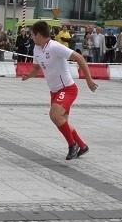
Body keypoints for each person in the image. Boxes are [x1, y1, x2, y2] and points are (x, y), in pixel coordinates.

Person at [21, 20, 98, 160]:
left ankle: (72, 145)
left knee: (54, 115)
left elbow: (79, 57)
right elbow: (36, 68)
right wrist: (28, 75)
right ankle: (82, 146)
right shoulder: (37, 49)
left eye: (32, 34)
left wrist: (88, 79)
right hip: (54, 91)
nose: (31, 37)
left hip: (67, 89)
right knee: (61, 121)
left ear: (38, 34)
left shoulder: (55, 46)